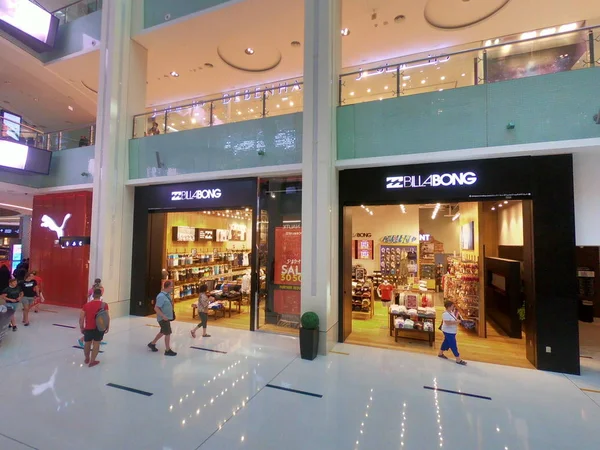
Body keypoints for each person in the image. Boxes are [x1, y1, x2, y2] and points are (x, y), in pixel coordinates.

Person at [79, 289, 109, 367]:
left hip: (88, 327)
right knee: (96, 343)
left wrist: (82, 327)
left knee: (87, 343)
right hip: (99, 327)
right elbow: (107, 317)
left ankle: (86, 358)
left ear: (93, 295)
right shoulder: (104, 305)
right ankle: (92, 361)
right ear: (100, 295)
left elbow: (81, 318)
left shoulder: (86, 305)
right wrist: (107, 326)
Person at [148, 280, 177, 356]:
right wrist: (163, 316)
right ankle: (167, 350)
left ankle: (152, 343)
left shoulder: (167, 294)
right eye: (172, 286)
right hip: (163, 319)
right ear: (168, 287)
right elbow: (156, 308)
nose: (173, 288)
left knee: (162, 332)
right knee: (168, 333)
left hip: (166, 318)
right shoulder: (161, 296)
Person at [78, 278, 106, 347]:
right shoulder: (101, 289)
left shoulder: (92, 289)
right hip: (95, 308)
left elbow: (88, 296)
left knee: (96, 326)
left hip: (95, 307)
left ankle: (98, 340)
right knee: (95, 326)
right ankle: (83, 339)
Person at [438, 300, 467, 365]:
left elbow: (453, 319)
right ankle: (458, 359)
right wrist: (456, 322)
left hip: (452, 331)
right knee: (453, 344)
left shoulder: (451, 312)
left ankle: (440, 353)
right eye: (452, 306)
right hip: (448, 331)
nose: (453, 307)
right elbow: (447, 323)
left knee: (446, 342)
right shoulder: (445, 314)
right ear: (448, 307)